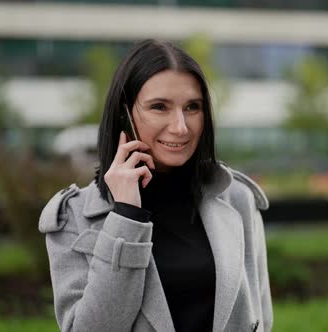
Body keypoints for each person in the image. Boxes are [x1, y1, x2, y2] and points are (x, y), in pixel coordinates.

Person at [39, 39, 273, 332]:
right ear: (124, 114)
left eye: (192, 107)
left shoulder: (236, 198)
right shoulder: (73, 216)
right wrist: (126, 217)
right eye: (159, 107)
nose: (180, 126)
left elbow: (261, 318)